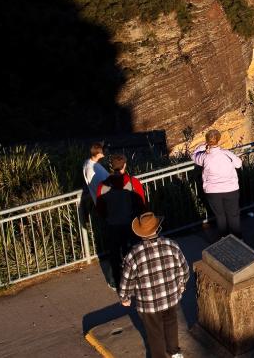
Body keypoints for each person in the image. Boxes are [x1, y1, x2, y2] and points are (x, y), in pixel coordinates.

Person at [117, 212, 189, 358]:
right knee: (171, 323)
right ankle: (175, 352)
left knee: (154, 332)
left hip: (148, 304)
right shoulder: (172, 245)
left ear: (140, 234)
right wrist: (181, 284)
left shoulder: (134, 254)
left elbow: (126, 280)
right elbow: (184, 269)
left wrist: (125, 297)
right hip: (170, 297)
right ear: (158, 228)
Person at [96, 153, 148, 288]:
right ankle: (137, 277)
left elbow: (100, 208)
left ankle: (116, 281)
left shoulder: (102, 186)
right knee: (134, 251)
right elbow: (142, 203)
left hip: (112, 225)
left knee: (115, 254)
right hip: (131, 224)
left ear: (111, 167)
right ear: (125, 165)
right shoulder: (133, 182)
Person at [192, 129, 243, 238]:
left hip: (213, 191)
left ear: (207, 141)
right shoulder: (226, 153)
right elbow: (238, 164)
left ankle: (224, 238)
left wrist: (203, 146)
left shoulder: (204, 156)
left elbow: (194, 156)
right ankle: (238, 239)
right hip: (231, 189)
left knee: (220, 216)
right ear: (219, 140)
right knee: (233, 215)